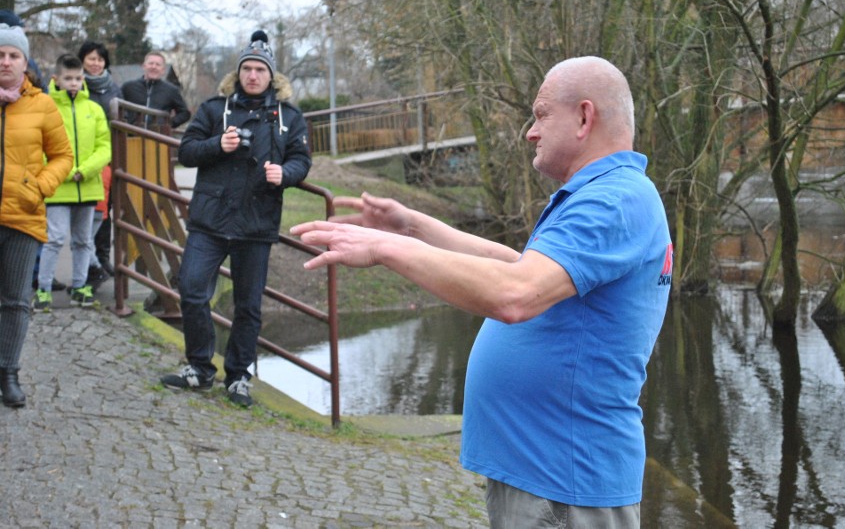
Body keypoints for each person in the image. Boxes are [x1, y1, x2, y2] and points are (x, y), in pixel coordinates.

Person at [291, 57, 673, 528]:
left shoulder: (613, 199)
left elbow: (515, 294)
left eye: (541, 113)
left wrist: (384, 248)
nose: (530, 132)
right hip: (548, 474)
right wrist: (411, 227)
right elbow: (516, 266)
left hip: (564, 482)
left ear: (584, 117)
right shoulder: (607, 193)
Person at [160, 30, 312, 407]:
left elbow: (302, 160)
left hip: (256, 224)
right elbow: (187, 152)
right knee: (192, 291)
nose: (253, 76)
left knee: (248, 306)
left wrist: (286, 174)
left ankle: (239, 376)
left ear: (271, 76)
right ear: (239, 73)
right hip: (210, 220)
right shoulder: (215, 109)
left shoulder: (288, 117)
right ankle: (199, 368)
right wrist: (218, 144)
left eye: (260, 70)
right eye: (247, 68)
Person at [0, 24, 73, 407]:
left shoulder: (42, 104)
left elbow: (63, 156)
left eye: (13, 55)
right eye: (0, 55)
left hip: (23, 216)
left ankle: (8, 372)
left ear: (25, 63)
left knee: (14, 300)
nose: (6, 62)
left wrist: (39, 187)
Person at [33, 54, 111, 311]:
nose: (74, 83)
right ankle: (42, 289)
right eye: (69, 78)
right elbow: (41, 147)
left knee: (83, 241)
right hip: (58, 188)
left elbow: (104, 148)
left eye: (78, 78)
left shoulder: (94, 110)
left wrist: (84, 170)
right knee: (54, 239)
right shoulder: (46, 108)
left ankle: (80, 286)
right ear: (56, 79)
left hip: (87, 186)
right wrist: (67, 171)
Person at [78, 41, 121, 284]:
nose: (96, 63)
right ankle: (88, 262)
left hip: (108, 158)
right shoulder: (75, 84)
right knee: (87, 212)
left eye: (100, 59)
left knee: (105, 211)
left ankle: (101, 258)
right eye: (91, 58)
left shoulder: (114, 88)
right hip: (84, 156)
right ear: (83, 60)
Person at [120, 50, 191, 129]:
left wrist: (168, 124)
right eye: (151, 63)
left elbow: (185, 113)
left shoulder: (171, 90)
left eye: (158, 65)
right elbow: (118, 107)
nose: (154, 67)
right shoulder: (128, 87)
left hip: (158, 138)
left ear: (163, 70)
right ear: (144, 66)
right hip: (131, 136)